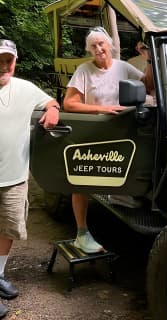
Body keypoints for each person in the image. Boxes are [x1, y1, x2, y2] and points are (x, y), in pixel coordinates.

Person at [63, 27, 154, 255]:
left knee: (124, 168)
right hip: (95, 130)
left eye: (101, 44)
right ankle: (82, 233)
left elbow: (148, 86)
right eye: (93, 46)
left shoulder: (123, 68)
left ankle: (120, 197)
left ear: (110, 45)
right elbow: (70, 104)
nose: (98, 49)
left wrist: (150, 59)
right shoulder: (85, 70)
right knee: (82, 179)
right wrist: (102, 109)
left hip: (123, 130)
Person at [0, 39, 60, 318]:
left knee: (8, 230)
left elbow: (50, 100)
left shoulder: (24, 88)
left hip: (14, 177)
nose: (3, 65)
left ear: (15, 61)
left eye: (7, 60)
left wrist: (53, 110)